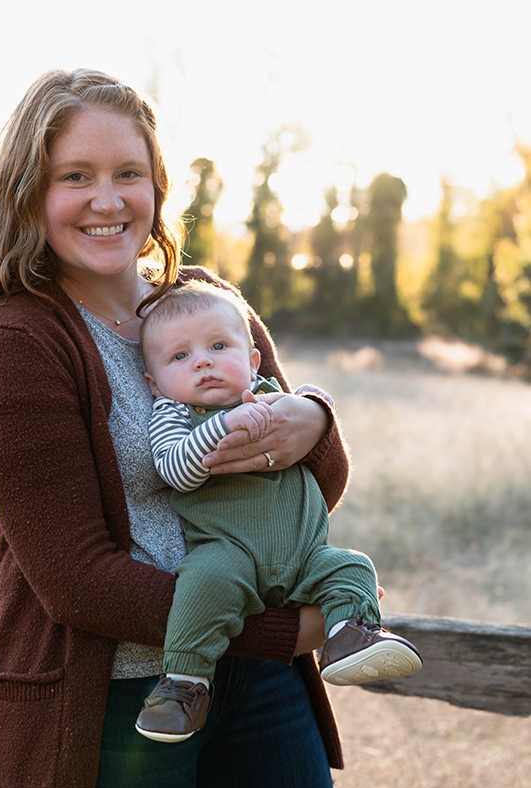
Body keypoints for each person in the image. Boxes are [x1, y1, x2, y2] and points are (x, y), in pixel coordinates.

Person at [0, 67, 359, 788]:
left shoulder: (203, 306)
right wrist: (283, 632)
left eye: (129, 173)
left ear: (157, 184)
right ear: (25, 194)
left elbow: (310, 488)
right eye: (73, 176)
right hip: (111, 713)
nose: (106, 200)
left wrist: (311, 415)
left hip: (258, 699)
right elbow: (79, 582)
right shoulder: (15, 343)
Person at [134, 281, 422, 741]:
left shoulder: (269, 396)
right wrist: (224, 426)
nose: (203, 361)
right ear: (154, 383)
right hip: (228, 552)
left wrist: (312, 407)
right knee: (202, 587)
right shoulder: (173, 413)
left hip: (304, 553)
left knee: (351, 566)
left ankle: (352, 635)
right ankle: (184, 684)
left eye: (218, 346)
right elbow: (174, 470)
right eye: (179, 357)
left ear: (252, 362)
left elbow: (313, 423)